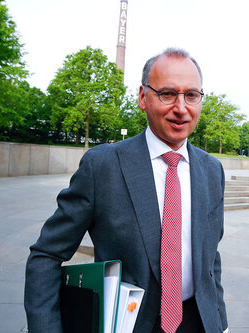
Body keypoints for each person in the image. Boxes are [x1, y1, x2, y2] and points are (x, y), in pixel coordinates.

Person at [24, 48, 229, 333]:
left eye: (191, 95)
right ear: (143, 97)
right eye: (167, 94)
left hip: (199, 322)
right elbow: (45, 255)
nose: (181, 108)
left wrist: (221, 323)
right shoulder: (102, 166)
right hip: (126, 324)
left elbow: (210, 260)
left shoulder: (211, 170)